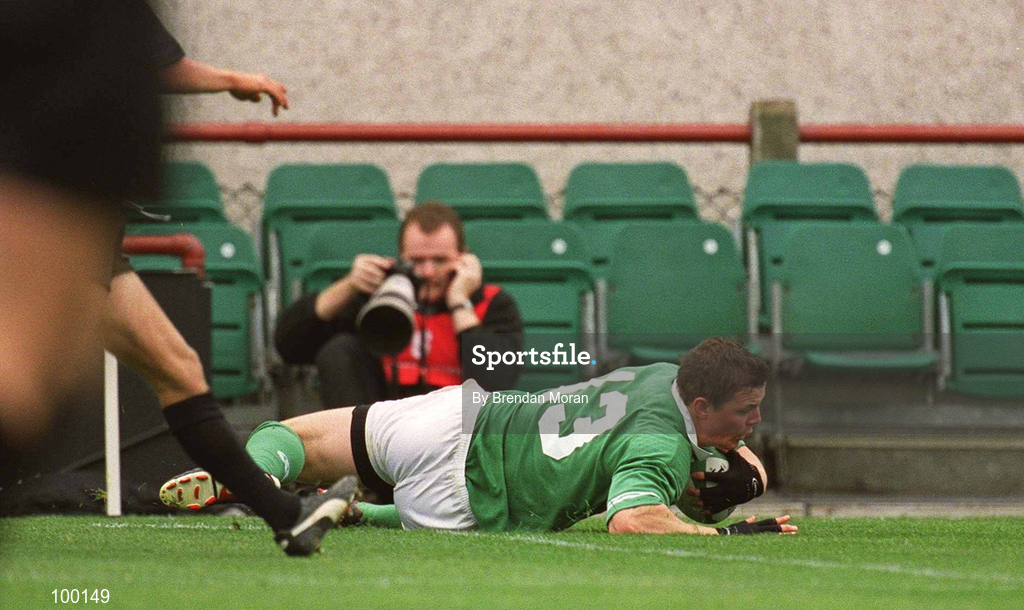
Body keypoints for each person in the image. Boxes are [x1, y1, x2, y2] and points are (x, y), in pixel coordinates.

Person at [1, 0, 351, 557]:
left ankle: (287, 516)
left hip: (85, 234)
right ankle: (286, 515)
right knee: (20, 385)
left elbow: (152, 63)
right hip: (47, 212)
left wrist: (231, 80)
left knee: (176, 369)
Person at [163, 337, 797, 536]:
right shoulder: (660, 449)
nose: (755, 424)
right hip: (465, 497)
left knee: (292, 435)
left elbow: (686, 434)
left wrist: (721, 451)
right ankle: (354, 514)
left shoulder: (666, 375)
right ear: (704, 405)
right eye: (747, 412)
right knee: (396, 519)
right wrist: (719, 528)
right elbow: (634, 519)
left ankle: (255, 476)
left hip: (459, 416)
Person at [275, 201, 524, 409]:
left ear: (463, 257)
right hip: (381, 430)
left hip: (457, 430)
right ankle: (351, 466)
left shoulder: (492, 303)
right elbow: (290, 346)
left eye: (440, 260)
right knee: (340, 349)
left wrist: (460, 303)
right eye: (416, 261)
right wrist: (349, 285)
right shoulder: (378, 298)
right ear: (400, 256)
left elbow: (498, 381)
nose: (427, 272)